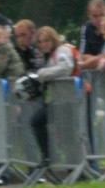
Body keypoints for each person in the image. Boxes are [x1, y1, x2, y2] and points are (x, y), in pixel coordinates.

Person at [26, 26, 77, 168]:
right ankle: (48, 157)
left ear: (53, 39)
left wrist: (43, 74)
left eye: (46, 41)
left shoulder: (62, 51)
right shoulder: (46, 55)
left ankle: (73, 168)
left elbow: (66, 68)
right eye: (40, 42)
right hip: (55, 100)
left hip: (67, 100)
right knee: (37, 121)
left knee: (68, 136)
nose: (43, 44)